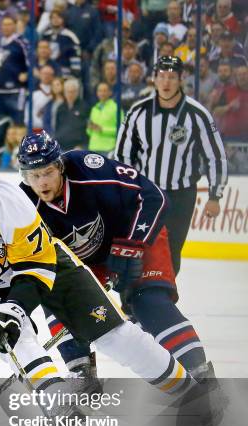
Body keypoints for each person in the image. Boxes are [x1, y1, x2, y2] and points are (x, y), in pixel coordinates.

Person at [0, 143, 212, 426]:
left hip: (50, 267)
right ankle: (62, 406)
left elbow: (34, 268)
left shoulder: (12, 204)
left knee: (114, 335)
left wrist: (14, 307)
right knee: (13, 338)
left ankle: (190, 391)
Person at [16, 130, 215, 390]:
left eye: (48, 172)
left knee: (148, 301)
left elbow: (153, 196)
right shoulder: (22, 205)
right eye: (34, 175)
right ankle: (83, 377)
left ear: (61, 166)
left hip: (134, 234)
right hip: (86, 263)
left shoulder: (89, 169)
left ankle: (202, 377)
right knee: (56, 296)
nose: (42, 182)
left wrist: (131, 245)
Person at [114, 55, 228, 276]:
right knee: (137, 246)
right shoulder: (138, 112)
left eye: (172, 77)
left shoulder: (197, 115)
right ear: (154, 79)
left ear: (180, 79)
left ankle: (163, 300)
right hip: (147, 194)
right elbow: (123, 155)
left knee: (172, 250)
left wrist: (215, 195)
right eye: (162, 76)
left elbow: (215, 156)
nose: (166, 82)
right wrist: (126, 189)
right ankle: (131, 302)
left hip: (181, 195)